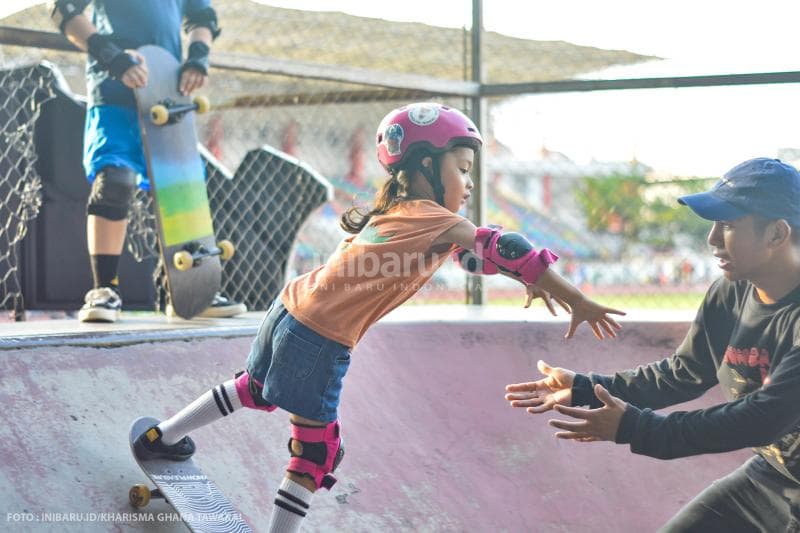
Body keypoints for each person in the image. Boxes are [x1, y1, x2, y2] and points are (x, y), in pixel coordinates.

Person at [131, 102, 625, 532]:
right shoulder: (440, 219)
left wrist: (523, 278)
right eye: (463, 168)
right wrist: (571, 296)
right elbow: (504, 246)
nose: (469, 183)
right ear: (425, 167)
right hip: (321, 339)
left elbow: (476, 258)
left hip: (287, 310)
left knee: (254, 388)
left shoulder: (395, 215)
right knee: (315, 453)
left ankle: (163, 436)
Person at [505, 157, 800, 532]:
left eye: (727, 225)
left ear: (776, 234)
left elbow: (761, 419)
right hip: (773, 478)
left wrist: (637, 427)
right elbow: (685, 373)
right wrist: (586, 388)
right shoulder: (732, 291)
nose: (710, 239)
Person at [48, 0, 246, 322]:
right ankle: (104, 290)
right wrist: (112, 56)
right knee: (115, 180)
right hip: (113, 87)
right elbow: (64, 10)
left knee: (180, 186)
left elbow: (202, 16)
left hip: (168, 89)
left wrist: (197, 57)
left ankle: (188, 292)